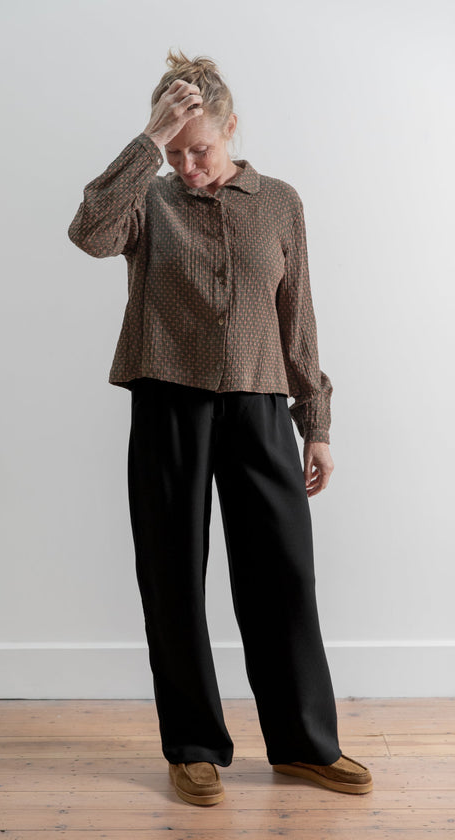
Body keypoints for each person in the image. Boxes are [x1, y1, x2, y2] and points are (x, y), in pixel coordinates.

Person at [68, 48, 373, 807]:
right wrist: (147, 145)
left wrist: (318, 423)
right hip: (168, 400)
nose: (189, 165)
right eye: (176, 151)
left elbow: (296, 320)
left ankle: (304, 744)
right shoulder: (150, 199)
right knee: (173, 574)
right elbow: (89, 232)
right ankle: (194, 746)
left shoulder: (280, 203)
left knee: (283, 576)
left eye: (198, 148)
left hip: (262, 404)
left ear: (232, 127)